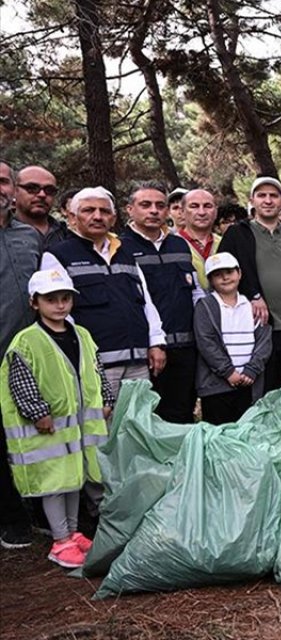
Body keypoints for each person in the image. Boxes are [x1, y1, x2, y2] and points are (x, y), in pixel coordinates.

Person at [2, 269, 116, 568]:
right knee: (55, 485)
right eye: (51, 300)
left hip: (78, 430)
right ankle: (60, 539)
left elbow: (95, 368)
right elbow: (21, 381)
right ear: (35, 303)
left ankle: (74, 533)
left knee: (74, 479)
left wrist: (106, 398)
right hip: (50, 432)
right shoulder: (27, 341)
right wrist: (38, 412)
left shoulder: (82, 335)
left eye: (65, 299)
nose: (60, 305)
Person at [42, 187, 166, 397]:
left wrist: (156, 343)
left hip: (138, 362)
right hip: (95, 365)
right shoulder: (58, 255)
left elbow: (146, 302)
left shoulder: (126, 253)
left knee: (137, 425)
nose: (97, 216)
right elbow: (57, 314)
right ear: (72, 217)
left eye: (104, 211)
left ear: (113, 217)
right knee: (100, 426)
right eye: (88, 210)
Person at [217, 176, 281, 392]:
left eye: (273, 196)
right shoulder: (237, 234)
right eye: (262, 195)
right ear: (252, 200)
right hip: (257, 329)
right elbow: (220, 274)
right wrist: (253, 295)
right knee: (264, 392)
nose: (268, 200)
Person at [118, 182, 202, 424]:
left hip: (186, 348)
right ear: (130, 209)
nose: (154, 211)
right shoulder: (120, 247)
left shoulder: (179, 244)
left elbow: (194, 291)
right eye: (146, 205)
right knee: (150, 418)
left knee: (183, 414)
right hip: (149, 351)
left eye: (160, 205)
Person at [0, 187, 40, 550]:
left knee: (37, 432)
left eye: (3, 180)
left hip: (33, 354)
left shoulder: (28, 236)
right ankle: (11, 520)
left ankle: (39, 513)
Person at [194, 253, 272, 424]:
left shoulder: (252, 306)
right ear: (210, 280)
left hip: (249, 382)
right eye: (217, 274)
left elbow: (264, 340)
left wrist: (252, 369)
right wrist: (228, 371)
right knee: (219, 433)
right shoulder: (206, 306)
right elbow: (206, 342)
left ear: (239, 273)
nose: (225, 277)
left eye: (229, 271)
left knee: (246, 431)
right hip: (217, 386)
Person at [13, 166, 70, 251]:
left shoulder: (67, 234)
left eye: (49, 190)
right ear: (14, 191)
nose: (42, 195)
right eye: (32, 188)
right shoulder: (4, 232)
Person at [177, 189, 221, 291]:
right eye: (194, 206)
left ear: (216, 212)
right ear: (182, 212)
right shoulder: (171, 245)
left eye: (207, 206)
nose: (202, 212)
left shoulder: (225, 242)